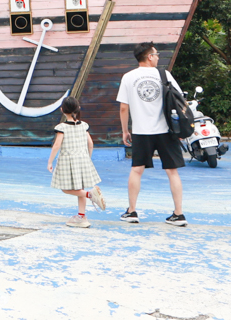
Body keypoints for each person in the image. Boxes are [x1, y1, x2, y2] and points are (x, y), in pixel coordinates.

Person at [118, 41, 188, 226]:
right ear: (149, 56)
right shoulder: (164, 75)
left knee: (136, 170)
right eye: (156, 54)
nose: (158, 57)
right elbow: (181, 102)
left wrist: (125, 130)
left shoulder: (128, 77)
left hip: (141, 131)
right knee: (172, 172)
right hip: (166, 130)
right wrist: (180, 128)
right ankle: (178, 214)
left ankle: (132, 211)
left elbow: (124, 108)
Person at [47, 96, 106, 228]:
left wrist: (50, 162)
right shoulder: (83, 125)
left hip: (68, 161)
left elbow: (57, 145)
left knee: (65, 189)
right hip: (83, 159)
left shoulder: (62, 127)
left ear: (62, 110)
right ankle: (82, 216)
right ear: (78, 109)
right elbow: (90, 144)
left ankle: (90, 195)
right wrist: (87, 158)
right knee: (80, 188)